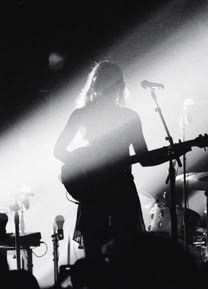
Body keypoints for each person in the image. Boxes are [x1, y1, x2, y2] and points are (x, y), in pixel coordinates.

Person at [54, 60, 172, 259]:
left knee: (99, 254)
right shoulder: (125, 116)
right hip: (115, 192)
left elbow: (58, 151)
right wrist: (83, 163)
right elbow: (144, 158)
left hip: (101, 192)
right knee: (125, 255)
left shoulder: (85, 114)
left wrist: (172, 152)